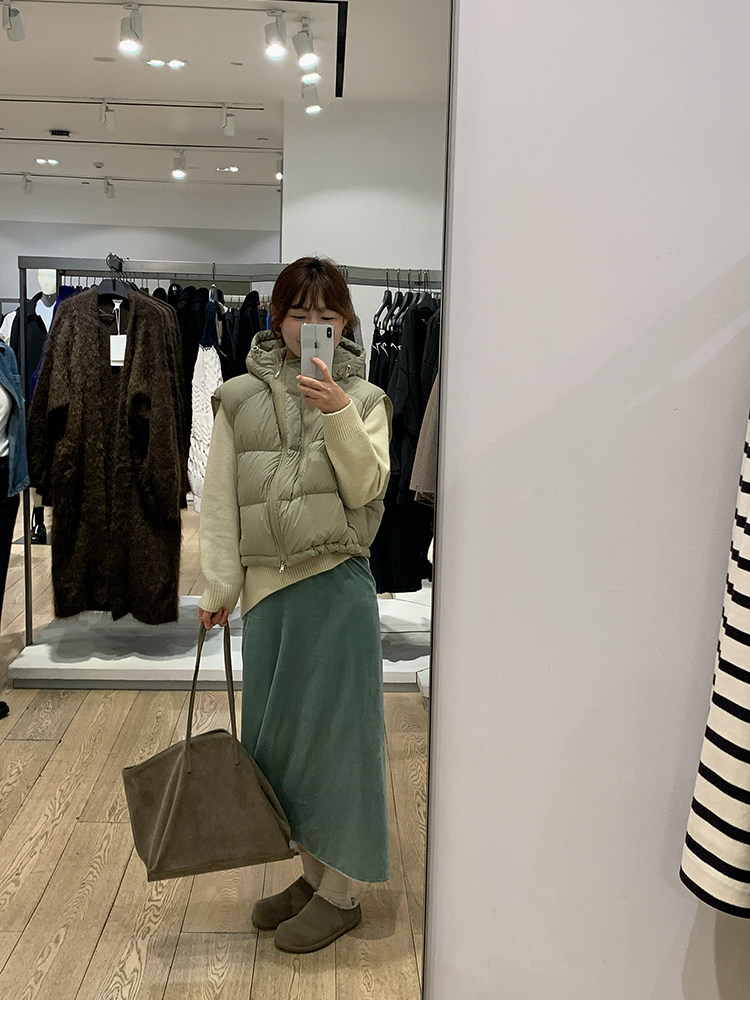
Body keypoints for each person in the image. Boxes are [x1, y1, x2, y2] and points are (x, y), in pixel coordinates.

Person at [198, 256, 393, 953]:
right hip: (269, 598)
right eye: (299, 312)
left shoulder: (366, 398)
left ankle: (342, 895)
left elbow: (368, 488)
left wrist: (337, 411)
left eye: (327, 313)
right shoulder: (236, 398)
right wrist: (219, 587)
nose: (313, 324)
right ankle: (312, 877)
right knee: (280, 749)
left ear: (345, 321)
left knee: (338, 746)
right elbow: (219, 500)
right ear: (276, 318)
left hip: (336, 589)